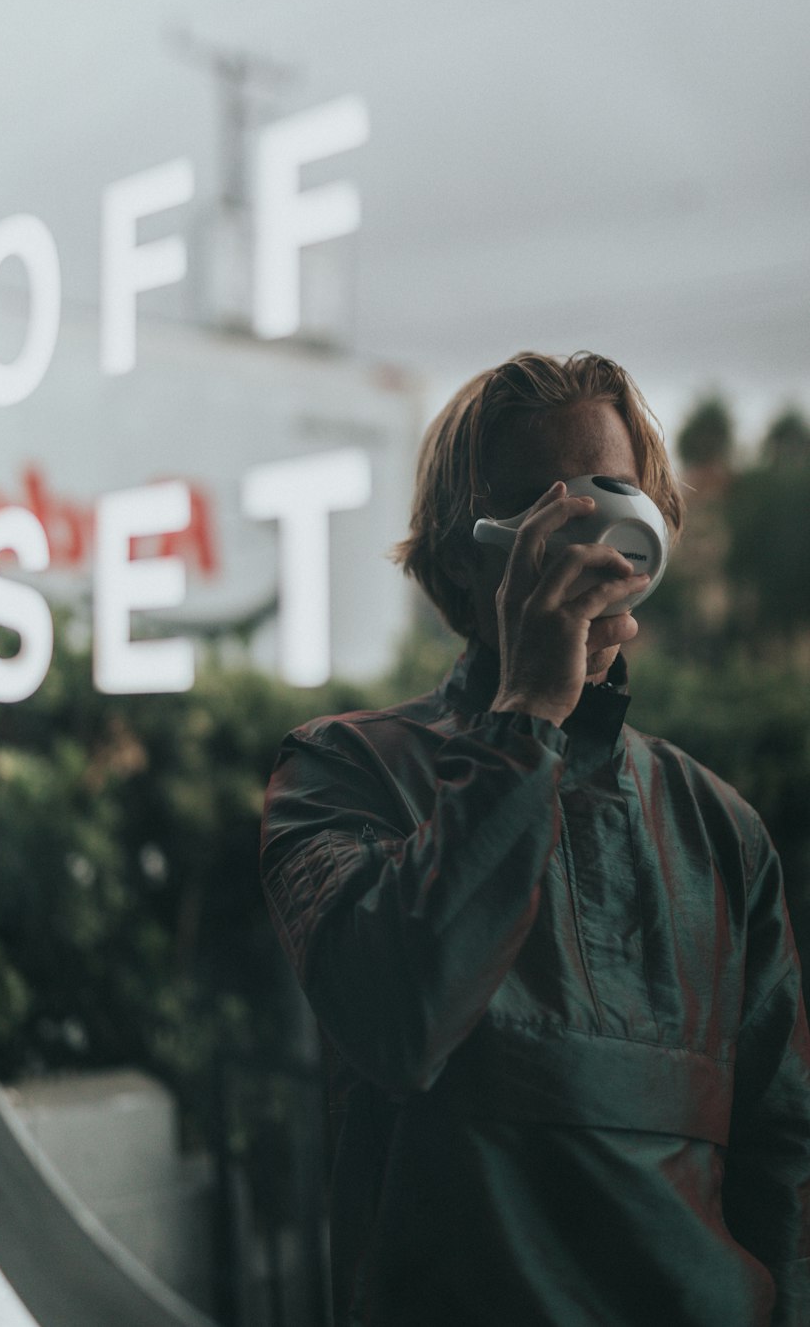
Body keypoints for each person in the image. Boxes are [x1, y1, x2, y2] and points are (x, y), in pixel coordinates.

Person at [260, 350, 810, 1326]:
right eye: (537, 510)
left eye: (612, 497)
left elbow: (786, 1157)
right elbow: (401, 1016)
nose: (582, 536)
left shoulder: (720, 830)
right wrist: (524, 718)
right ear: (462, 560)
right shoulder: (339, 773)